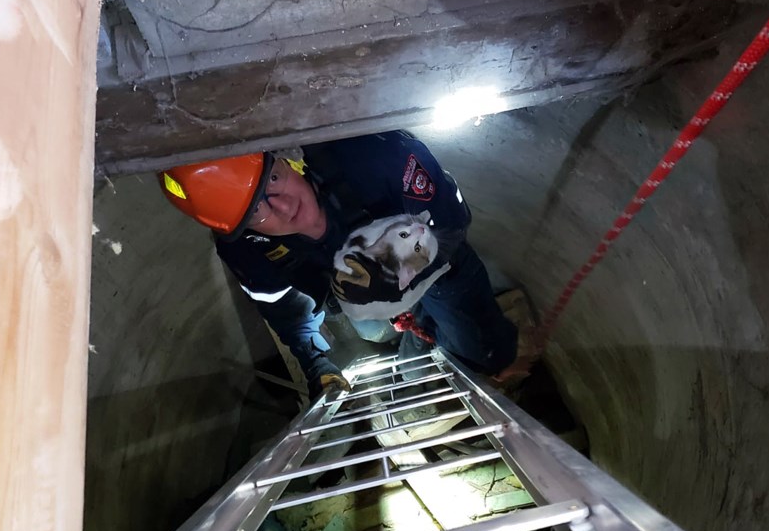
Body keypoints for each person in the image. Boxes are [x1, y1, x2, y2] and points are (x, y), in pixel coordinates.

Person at [158, 130, 518, 397]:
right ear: (243, 230)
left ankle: (454, 338)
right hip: (365, 307)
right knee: (376, 333)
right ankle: (418, 336)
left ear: (283, 158)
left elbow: (452, 220)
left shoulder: (372, 157)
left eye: (273, 179)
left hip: (442, 272)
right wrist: (315, 363)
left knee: (487, 356)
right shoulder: (249, 251)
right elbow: (285, 310)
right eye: (257, 212)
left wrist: (403, 265)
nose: (282, 206)